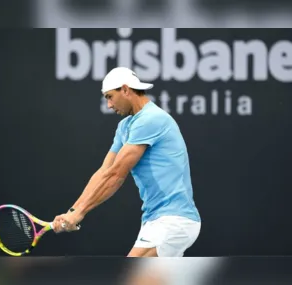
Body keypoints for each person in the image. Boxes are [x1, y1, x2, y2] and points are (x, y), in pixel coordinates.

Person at [52, 67, 201, 257]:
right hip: (154, 220)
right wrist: (72, 211)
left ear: (125, 90)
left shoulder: (151, 119)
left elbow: (116, 175)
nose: (108, 105)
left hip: (173, 221)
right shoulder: (125, 126)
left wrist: (79, 213)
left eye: (109, 96)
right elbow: (104, 171)